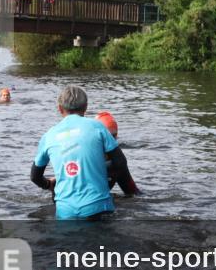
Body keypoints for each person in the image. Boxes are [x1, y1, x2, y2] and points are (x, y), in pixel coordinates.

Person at [31, 85, 130, 220]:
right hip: (97, 208)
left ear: (60, 108)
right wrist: (98, 171)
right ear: (85, 107)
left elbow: (35, 177)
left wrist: (49, 184)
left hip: (65, 211)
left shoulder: (48, 136)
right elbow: (120, 163)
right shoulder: (97, 126)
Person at [94, 110, 142, 196]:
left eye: (113, 136)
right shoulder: (86, 158)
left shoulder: (118, 162)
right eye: (106, 137)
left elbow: (132, 192)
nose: (109, 141)